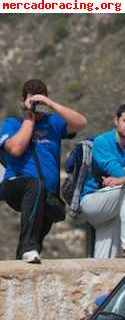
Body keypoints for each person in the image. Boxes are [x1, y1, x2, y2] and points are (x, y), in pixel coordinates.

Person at [0, 79, 87, 263]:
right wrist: (29, 119)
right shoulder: (11, 124)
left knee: (35, 241)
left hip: (46, 193)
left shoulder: (53, 123)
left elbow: (80, 122)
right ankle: (28, 248)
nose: (36, 105)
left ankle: (25, 257)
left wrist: (51, 104)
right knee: (34, 185)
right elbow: (16, 149)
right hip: (16, 184)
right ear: (22, 100)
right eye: (32, 100)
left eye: (40, 100)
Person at [79, 103, 125, 259]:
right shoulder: (102, 142)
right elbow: (117, 171)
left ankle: (99, 281)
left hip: (114, 203)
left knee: (105, 259)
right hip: (93, 200)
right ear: (116, 121)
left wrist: (123, 178)